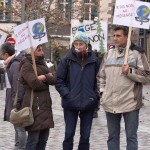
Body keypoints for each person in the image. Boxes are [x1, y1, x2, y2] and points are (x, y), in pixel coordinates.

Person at [97, 25, 150, 150]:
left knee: (131, 137)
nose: (115, 38)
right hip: (110, 102)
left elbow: (147, 76)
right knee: (112, 137)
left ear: (127, 37)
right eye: (114, 35)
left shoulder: (137, 53)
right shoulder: (108, 54)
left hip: (130, 103)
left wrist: (130, 71)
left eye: (118, 36)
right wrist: (102, 92)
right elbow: (101, 77)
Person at [55, 30, 101, 150]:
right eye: (76, 44)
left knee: (85, 136)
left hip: (89, 102)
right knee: (69, 134)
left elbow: (99, 79)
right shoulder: (67, 60)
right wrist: (67, 95)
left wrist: (95, 96)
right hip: (70, 103)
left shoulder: (94, 60)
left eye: (81, 44)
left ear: (87, 45)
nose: (79, 47)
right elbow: (59, 80)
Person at [20, 44, 56, 150]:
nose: (42, 52)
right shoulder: (26, 65)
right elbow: (34, 84)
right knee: (33, 141)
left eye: (42, 49)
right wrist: (47, 79)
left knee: (43, 140)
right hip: (34, 106)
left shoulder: (42, 63)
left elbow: (54, 79)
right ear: (31, 52)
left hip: (45, 106)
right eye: (39, 50)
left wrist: (44, 77)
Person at [0, 42, 27, 150]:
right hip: (14, 99)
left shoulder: (15, 64)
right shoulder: (11, 64)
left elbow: (17, 85)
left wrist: (16, 102)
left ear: (5, 54)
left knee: (19, 127)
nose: (1, 56)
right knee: (17, 126)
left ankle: (21, 147)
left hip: (16, 101)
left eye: (1, 54)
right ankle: (18, 146)